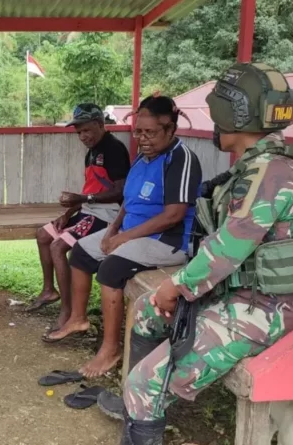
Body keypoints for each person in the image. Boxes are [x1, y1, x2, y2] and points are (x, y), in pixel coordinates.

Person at [113, 63, 293, 444]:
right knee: (146, 311)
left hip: (270, 310)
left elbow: (226, 250)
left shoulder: (272, 173)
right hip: (244, 295)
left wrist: (176, 286)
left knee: (146, 383)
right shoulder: (261, 165)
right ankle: (137, 406)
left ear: (234, 116)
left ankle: (143, 398)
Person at [45, 95, 203, 380]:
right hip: (133, 234)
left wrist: (123, 238)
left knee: (110, 269)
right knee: (81, 253)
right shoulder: (143, 157)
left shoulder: (181, 158)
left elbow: (173, 215)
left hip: (167, 240)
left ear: (170, 129)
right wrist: (112, 231)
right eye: (138, 132)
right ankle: (78, 318)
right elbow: (127, 202)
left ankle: (111, 349)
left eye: (149, 132)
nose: (142, 139)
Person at [26, 103, 131, 333]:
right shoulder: (92, 151)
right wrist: (68, 213)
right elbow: (90, 191)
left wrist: (82, 198)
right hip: (89, 210)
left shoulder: (113, 149)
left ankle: (68, 311)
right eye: (79, 132)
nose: (83, 136)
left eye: (86, 130)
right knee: (43, 235)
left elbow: (120, 191)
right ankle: (49, 291)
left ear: (100, 124)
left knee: (57, 247)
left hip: (107, 214)